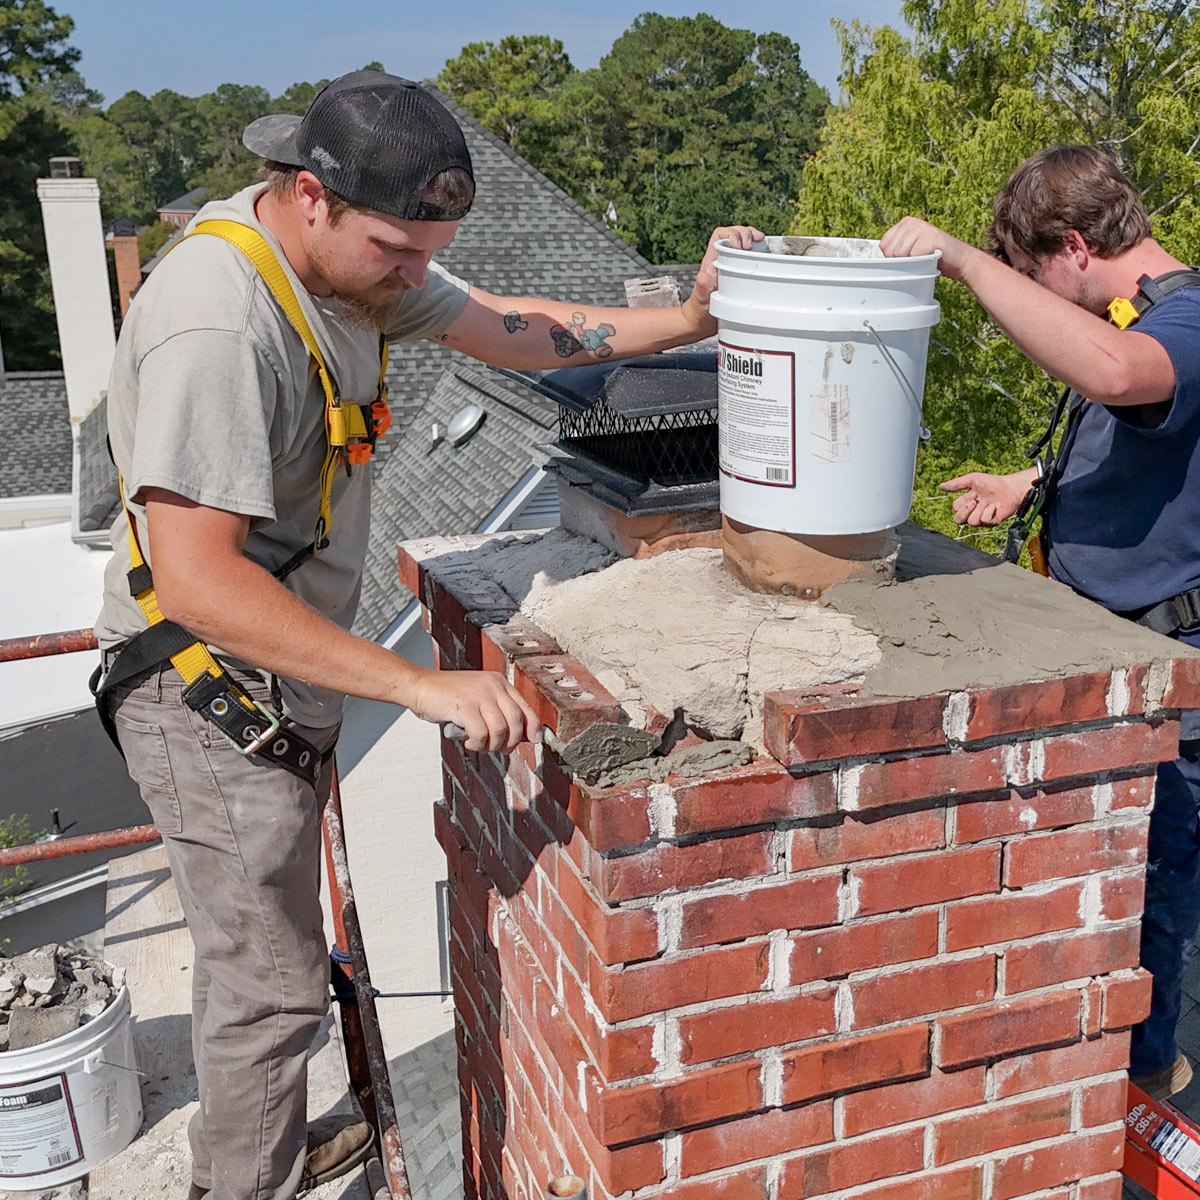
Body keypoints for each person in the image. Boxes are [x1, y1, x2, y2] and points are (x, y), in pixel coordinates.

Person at [91, 69, 763, 1200]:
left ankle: (248, 1143)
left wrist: (691, 320)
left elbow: (519, 329)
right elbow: (199, 581)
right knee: (271, 991)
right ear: (310, 195)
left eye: (427, 252)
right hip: (203, 688)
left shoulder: (352, 271)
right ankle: (241, 1181)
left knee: (269, 964)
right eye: (397, 251)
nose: (415, 277)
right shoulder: (217, 322)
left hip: (268, 673)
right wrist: (419, 686)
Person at [882, 144, 1200, 1101]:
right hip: (1116, 643)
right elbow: (1140, 436)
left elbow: (1117, 375)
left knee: (1153, 879)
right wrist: (1032, 480)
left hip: (1172, 658)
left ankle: (1144, 1083)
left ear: (1071, 246)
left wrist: (967, 265)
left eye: (1031, 276)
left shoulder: (1185, 317)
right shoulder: (1129, 315)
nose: (1036, 299)